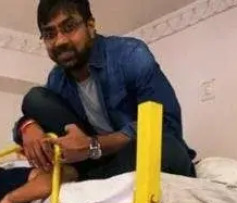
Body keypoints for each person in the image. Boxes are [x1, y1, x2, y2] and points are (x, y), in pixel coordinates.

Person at [13, 0, 196, 181]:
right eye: (49, 34)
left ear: (90, 26)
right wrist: (28, 127)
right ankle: (92, 175)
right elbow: (36, 114)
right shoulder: (57, 79)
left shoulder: (130, 55)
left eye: (69, 27)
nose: (60, 41)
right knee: (34, 98)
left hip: (134, 151)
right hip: (96, 161)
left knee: (168, 151)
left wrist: (93, 146)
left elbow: (166, 125)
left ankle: (86, 177)